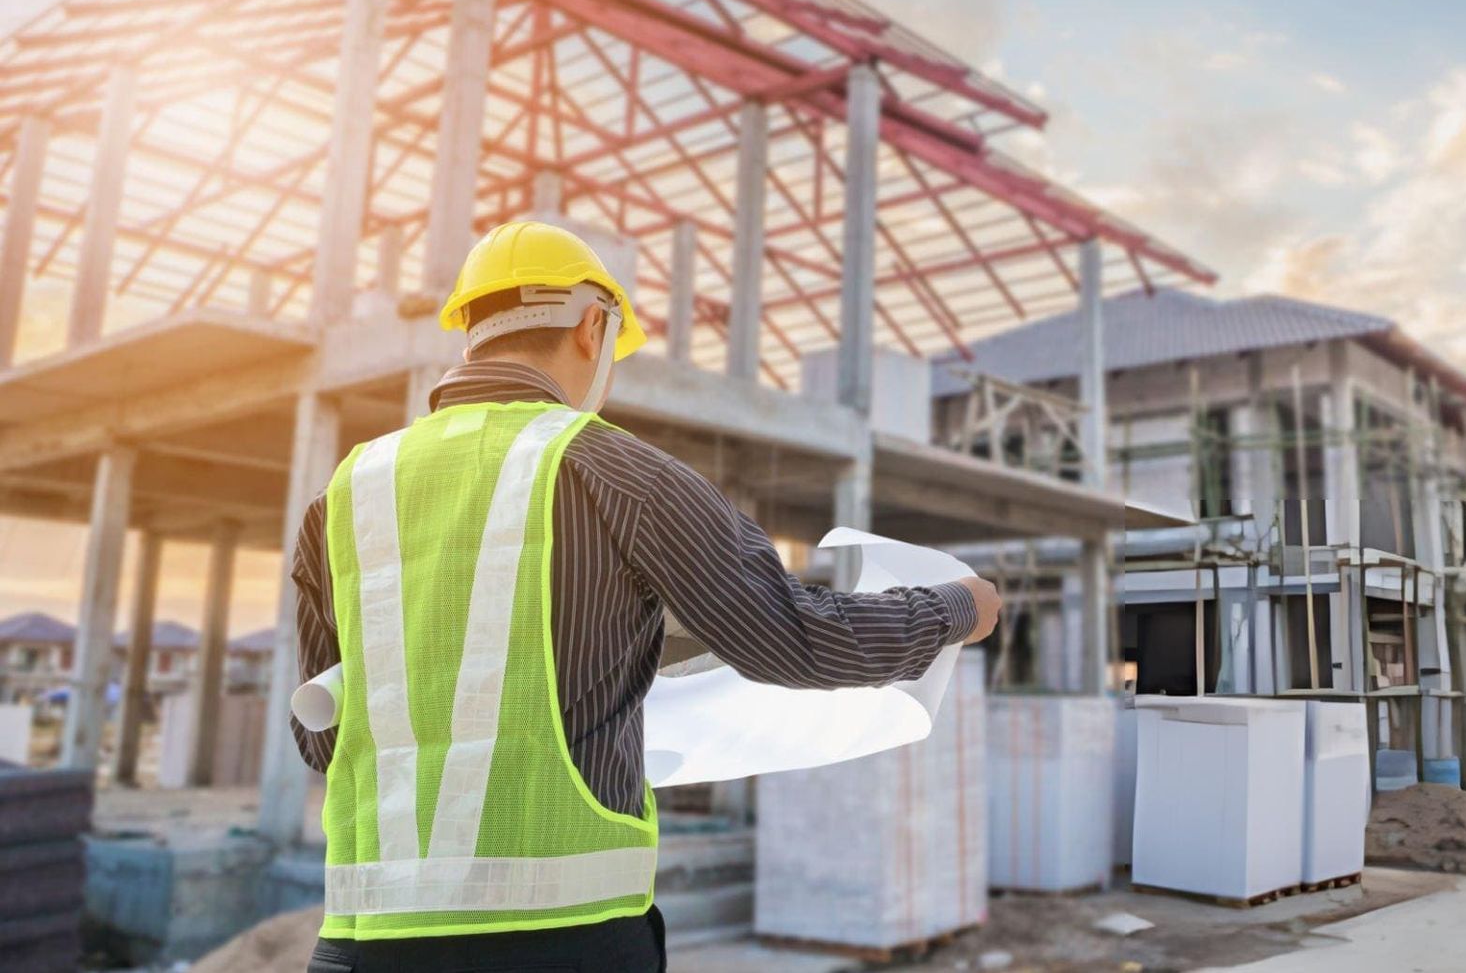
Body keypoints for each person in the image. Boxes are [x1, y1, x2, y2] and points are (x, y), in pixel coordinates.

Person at [291, 220, 1001, 973]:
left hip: (360, 946)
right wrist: (957, 608)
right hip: (563, 942)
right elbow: (799, 637)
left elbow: (323, 740)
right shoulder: (622, 475)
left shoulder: (345, 494)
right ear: (592, 326)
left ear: (468, 331)